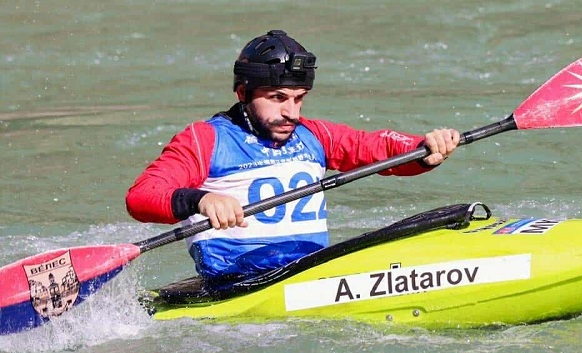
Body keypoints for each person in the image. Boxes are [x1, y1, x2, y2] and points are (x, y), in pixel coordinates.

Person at [126, 30, 460, 284]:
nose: (291, 112)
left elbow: (374, 148)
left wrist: (426, 149)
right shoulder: (205, 140)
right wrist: (201, 200)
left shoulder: (313, 134)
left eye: (299, 99)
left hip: (309, 271)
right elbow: (141, 197)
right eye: (277, 98)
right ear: (242, 93)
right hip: (241, 283)